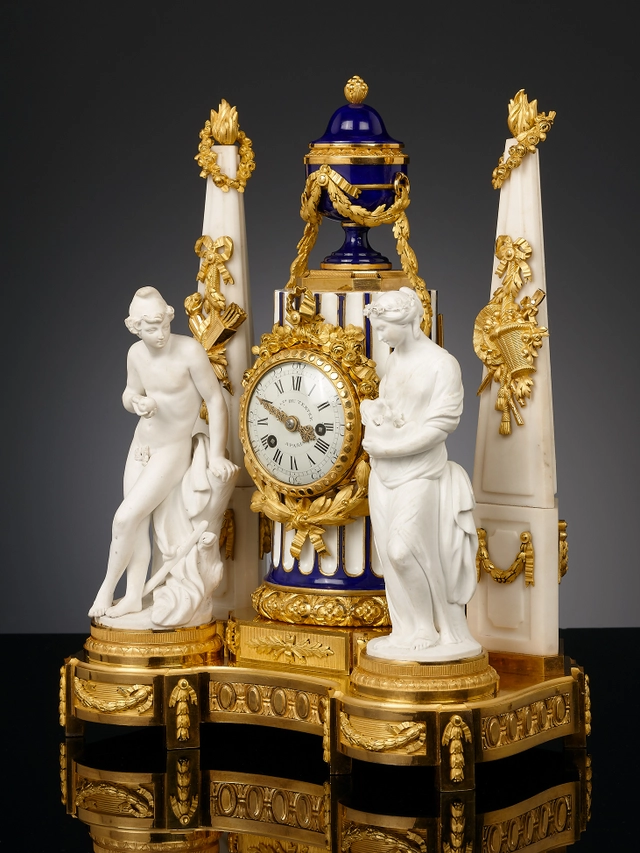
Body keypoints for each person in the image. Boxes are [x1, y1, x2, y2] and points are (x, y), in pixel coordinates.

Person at [89, 287, 238, 620]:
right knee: (136, 523)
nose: (160, 334)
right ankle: (132, 596)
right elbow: (129, 392)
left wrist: (216, 454)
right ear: (135, 328)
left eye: (163, 325)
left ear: (169, 317)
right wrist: (136, 402)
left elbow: (215, 400)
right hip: (141, 446)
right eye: (151, 328)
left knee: (124, 518)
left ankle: (106, 589)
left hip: (172, 449)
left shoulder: (189, 352)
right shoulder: (135, 354)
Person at [361, 288, 480, 660]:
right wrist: (374, 414)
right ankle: (409, 628)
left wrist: (388, 447)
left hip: (420, 472)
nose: (380, 335)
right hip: (383, 475)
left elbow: (439, 426)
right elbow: (391, 410)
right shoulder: (393, 360)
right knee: (388, 554)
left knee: (405, 550)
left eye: (384, 328)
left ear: (408, 321)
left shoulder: (443, 365)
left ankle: (431, 627)